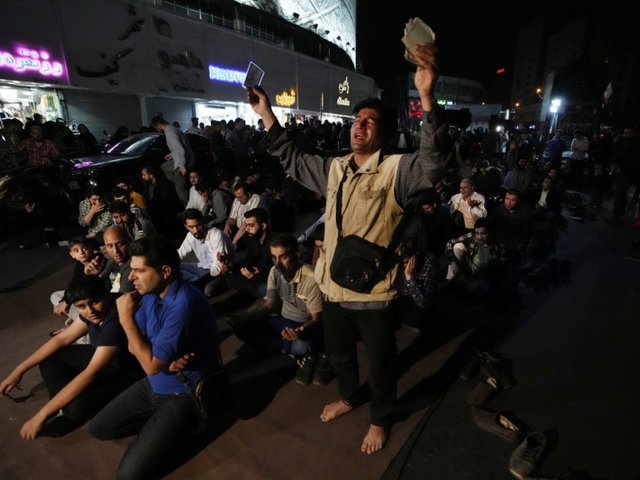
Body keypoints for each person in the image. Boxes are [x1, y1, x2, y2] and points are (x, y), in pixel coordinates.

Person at [246, 42, 439, 454]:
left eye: (370, 122)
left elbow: (433, 165)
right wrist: (266, 114)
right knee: (339, 356)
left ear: (383, 135)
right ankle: (350, 397)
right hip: (333, 290)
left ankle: (381, 418)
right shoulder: (334, 168)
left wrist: (426, 97)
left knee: (381, 365)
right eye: (356, 120)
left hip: (374, 296)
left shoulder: (397, 170)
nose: (359, 126)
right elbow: (294, 160)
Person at [89, 235, 221, 479]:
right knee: (99, 427)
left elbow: (149, 364)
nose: (131, 277)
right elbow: (133, 346)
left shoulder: (183, 303)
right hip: (155, 382)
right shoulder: (151, 294)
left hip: (183, 393)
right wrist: (155, 357)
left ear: (166, 271)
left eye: (139, 270)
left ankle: (185, 425)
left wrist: (126, 319)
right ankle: (163, 428)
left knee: (127, 476)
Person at [0, 276, 142, 439]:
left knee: (76, 407)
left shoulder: (115, 316)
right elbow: (62, 339)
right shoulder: (93, 311)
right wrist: (18, 370)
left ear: (106, 294)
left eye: (95, 302)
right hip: (103, 357)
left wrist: (42, 414)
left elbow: (91, 373)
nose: (90, 311)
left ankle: (66, 408)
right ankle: (62, 405)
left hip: (128, 371)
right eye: (81, 306)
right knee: (51, 358)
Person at [231, 233, 333, 385]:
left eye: (283, 257)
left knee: (301, 345)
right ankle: (296, 351)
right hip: (282, 321)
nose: (277, 263)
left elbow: (315, 319)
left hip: (304, 326)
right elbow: (270, 304)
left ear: (296, 254)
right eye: (274, 257)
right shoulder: (275, 271)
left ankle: (299, 351)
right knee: (242, 328)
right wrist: (244, 316)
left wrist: (300, 331)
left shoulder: (311, 278)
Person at [177, 208, 234, 290]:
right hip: (203, 267)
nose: (196, 230)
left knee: (207, 289)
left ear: (203, 221)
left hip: (216, 271)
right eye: (191, 227)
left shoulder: (215, 234)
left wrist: (202, 278)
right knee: (176, 267)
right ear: (186, 227)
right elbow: (179, 254)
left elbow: (219, 264)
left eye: (198, 225)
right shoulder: (190, 236)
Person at [151, 116, 195, 206]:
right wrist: (171, 155)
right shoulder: (173, 129)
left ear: (158, 125)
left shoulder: (169, 132)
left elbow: (178, 148)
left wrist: (182, 165)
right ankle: (178, 182)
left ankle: (189, 208)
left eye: (156, 127)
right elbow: (179, 147)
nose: (157, 129)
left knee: (180, 189)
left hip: (182, 162)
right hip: (182, 159)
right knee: (164, 167)